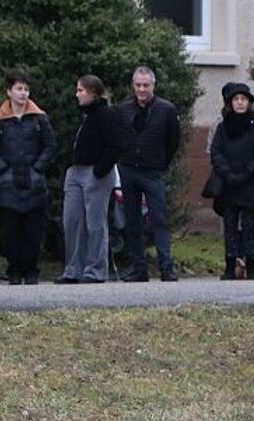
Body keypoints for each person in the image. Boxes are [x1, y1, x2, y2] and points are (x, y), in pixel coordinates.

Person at [0, 70, 57, 285]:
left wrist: (37, 169)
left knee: (33, 232)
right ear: (9, 92)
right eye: (19, 89)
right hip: (8, 183)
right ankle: (14, 272)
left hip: (34, 183)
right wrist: (3, 170)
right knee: (11, 233)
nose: (23, 93)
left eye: (26, 89)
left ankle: (31, 271)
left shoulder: (39, 118)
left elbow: (50, 146)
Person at [116, 66, 181, 282]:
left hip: (153, 171)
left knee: (159, 219)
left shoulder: (166, 110)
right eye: (138, 85)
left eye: (146, 85)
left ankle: (166, 267)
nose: (142, 89)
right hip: (128, 170)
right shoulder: (123, 110)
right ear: (133, 86)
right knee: (132, 221)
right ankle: (139, 268)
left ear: (153, 86)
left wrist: (162, 163)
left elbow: (173, 141)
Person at [57, 74, 122, 285]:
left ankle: (95, 269)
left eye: (80, 90)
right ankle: (73, 268)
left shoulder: (106, 115)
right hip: (75, 171)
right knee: (72, 221)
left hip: (95, 172)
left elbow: (117, 145)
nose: (77, 94)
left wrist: (100, 170)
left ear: (93, 93)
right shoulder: (83, 116)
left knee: (95, 224)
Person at [208, 82, 254, 280]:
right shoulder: (222, 126)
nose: (240, 103)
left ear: (249, 102)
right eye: (236, 99)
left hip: (250, 183)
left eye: (243, 99)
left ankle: (251, 265)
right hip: (229, 183)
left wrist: (248, 172)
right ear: (230, 103)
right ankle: (230, 265)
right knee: (229, 226)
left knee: (249, 225)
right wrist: (227, 172)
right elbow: (216, 151)